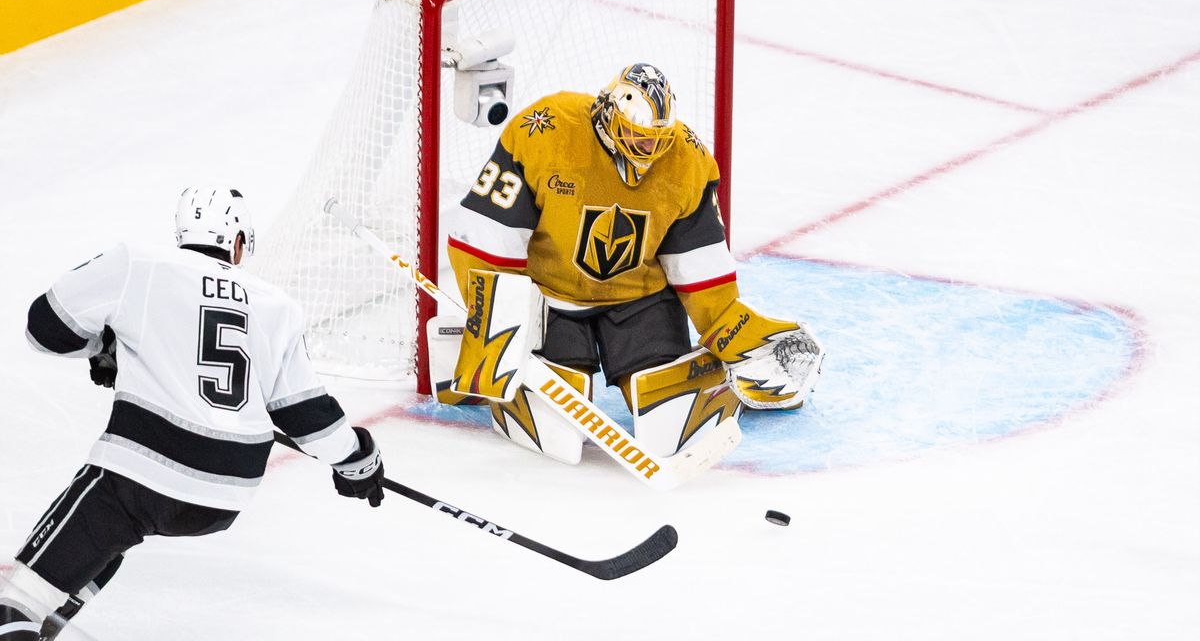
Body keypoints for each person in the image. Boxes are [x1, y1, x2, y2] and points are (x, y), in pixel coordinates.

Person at [0, 188, 386, 641]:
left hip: (142, 473)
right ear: (238, 243)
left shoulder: (139, 263)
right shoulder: (276, 305)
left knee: (17, 601)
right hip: (222, 498)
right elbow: (308, 416)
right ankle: (52, 611)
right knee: (110, 536)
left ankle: (27, 614)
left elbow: (45, 327)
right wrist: (358, 459)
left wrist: (106, 346)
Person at [444, 63, 823, 446]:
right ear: (608, 114)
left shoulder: (686, 160)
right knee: (557, 427)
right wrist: (494, 318)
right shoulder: (549, 129)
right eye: (638, 135)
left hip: (639, 299)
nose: (649, 148)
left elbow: (699, 261)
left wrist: (732, 329)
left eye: (657, 138)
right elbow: (487, 235)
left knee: (671, 415)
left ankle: (714, 378)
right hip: (552, 297)